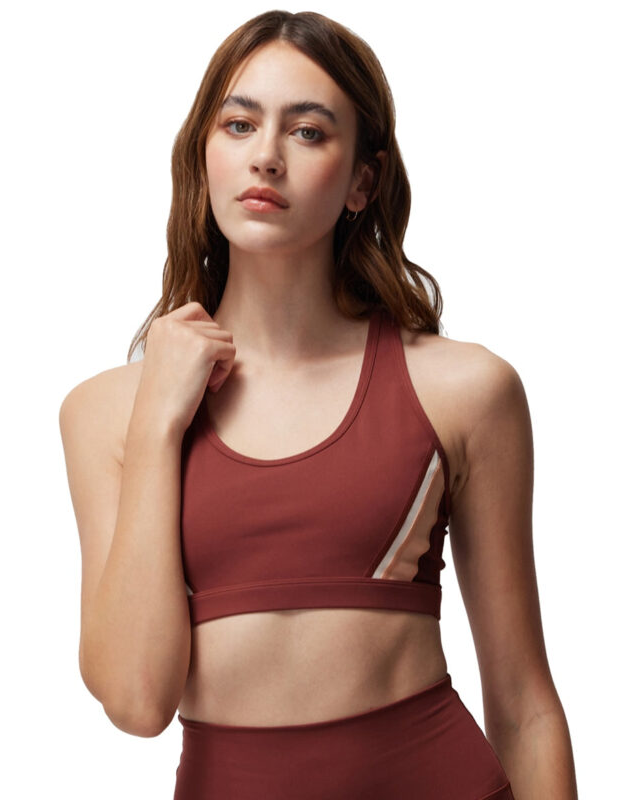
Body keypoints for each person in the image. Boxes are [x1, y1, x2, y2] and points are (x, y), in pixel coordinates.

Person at [58, 10, 578, 800]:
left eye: (307, 132)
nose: (266, 156)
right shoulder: (105, 413)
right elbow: (136, 701)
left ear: (363, 181)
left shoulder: (464, 391)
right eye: (239, 124)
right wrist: (160, 417)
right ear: (203, 155)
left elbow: (524, 703)